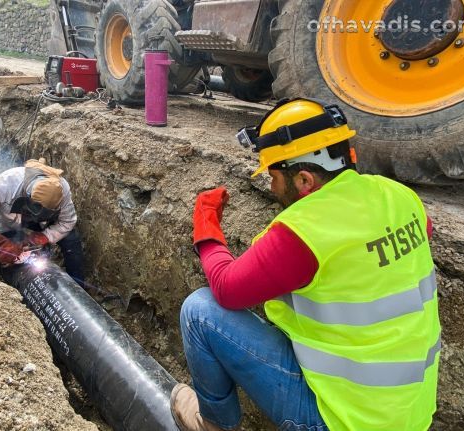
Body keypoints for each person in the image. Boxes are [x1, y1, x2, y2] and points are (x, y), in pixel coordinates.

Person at [171, 99, 440, 431]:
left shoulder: (307, 230)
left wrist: (206, 225)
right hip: (409, 415)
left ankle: (212, 423)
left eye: (273, 176)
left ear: (303, 181)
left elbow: (226, 288)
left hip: (339, 421)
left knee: (199, 311)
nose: (270, 186)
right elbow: (414, 237)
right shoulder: (400, 197)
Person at [0, 159, 85, 286]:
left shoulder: (62, 190)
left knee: (71, 239)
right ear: (27, 198)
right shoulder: (6, 183)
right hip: (4, 221)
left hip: (39, 225)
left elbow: (68, 221)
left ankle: (79, 288)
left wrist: (43, 237)